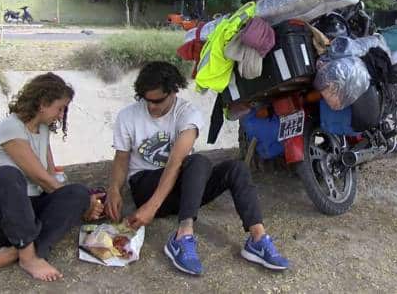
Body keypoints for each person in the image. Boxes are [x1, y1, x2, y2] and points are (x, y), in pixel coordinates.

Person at [104, 61, 289, 275]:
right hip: (146, 186)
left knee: (234, 167)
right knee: (198, 163)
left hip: (184, 191)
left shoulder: (188, 114)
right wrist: (115, 189)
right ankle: (183, 236)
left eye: (158, 101)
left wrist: (151, 209)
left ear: (174, 90)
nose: (152, 106)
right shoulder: (128, 116)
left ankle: (257, 238)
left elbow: (175, 163)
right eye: (147, 100)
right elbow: (121, 158)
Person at [0, 73, 104, 282]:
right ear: (43, 104)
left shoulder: (42, 129)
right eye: (60, 107)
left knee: (79, 192)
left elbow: (52, 174)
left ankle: (15, 252)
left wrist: (84, 203)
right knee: (8, 175)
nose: (61, 114)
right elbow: (42, 179)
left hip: (29, 214)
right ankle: (29, 257)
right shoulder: (10, 127)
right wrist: (83, 204)